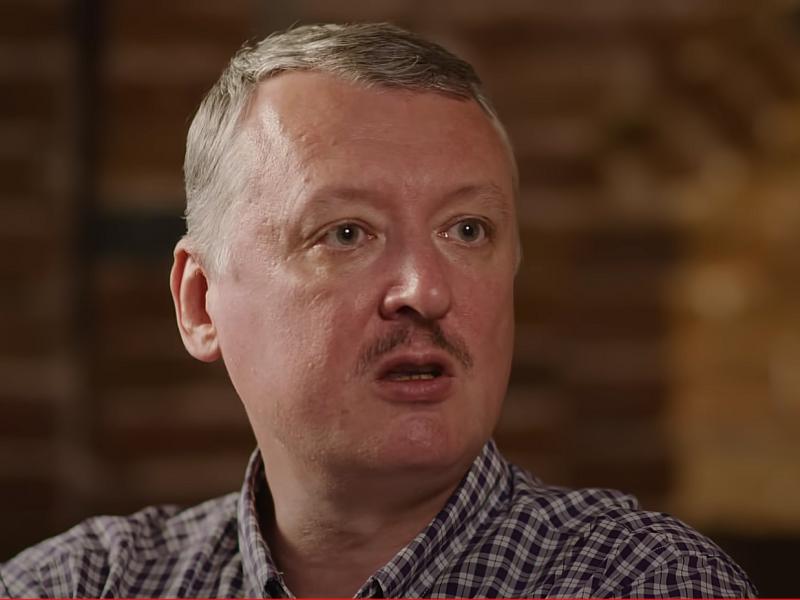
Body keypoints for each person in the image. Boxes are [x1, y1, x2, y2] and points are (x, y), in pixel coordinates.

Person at [1, 23, 755, 598]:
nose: (425, 291)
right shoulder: (79, 584)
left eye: (467, 230)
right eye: (346, 234)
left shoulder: (641, 580)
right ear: (201, 302)